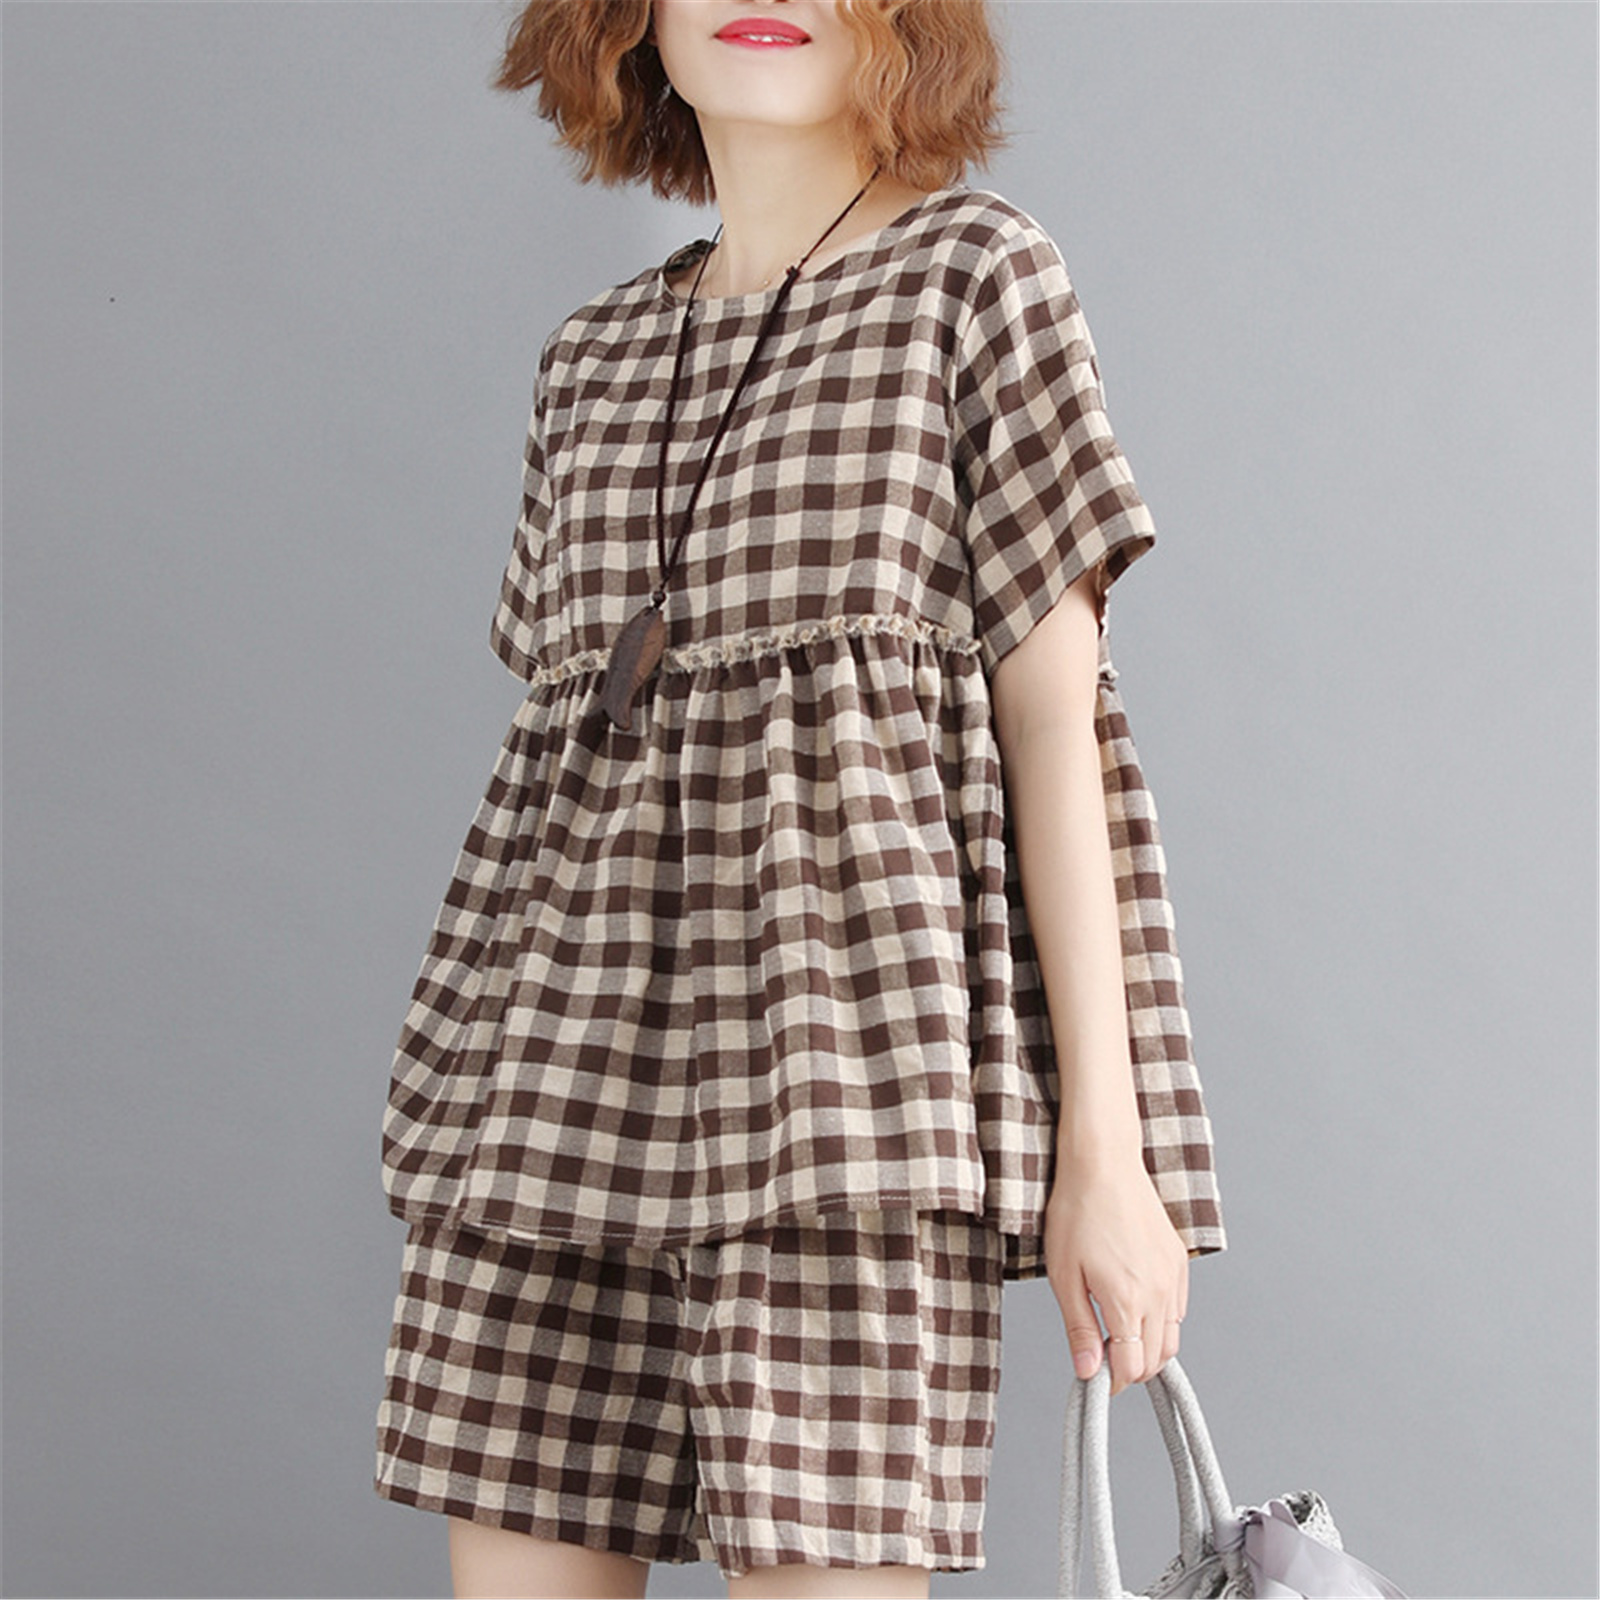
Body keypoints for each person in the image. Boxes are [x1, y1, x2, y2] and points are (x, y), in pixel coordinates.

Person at [372, 2, 1227, 1596]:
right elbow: (561, 759)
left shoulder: (976, 278)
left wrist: (1107, 1155)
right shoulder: (590, 361)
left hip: (849, 1093)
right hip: (557, 1083)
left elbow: (1059, 732)